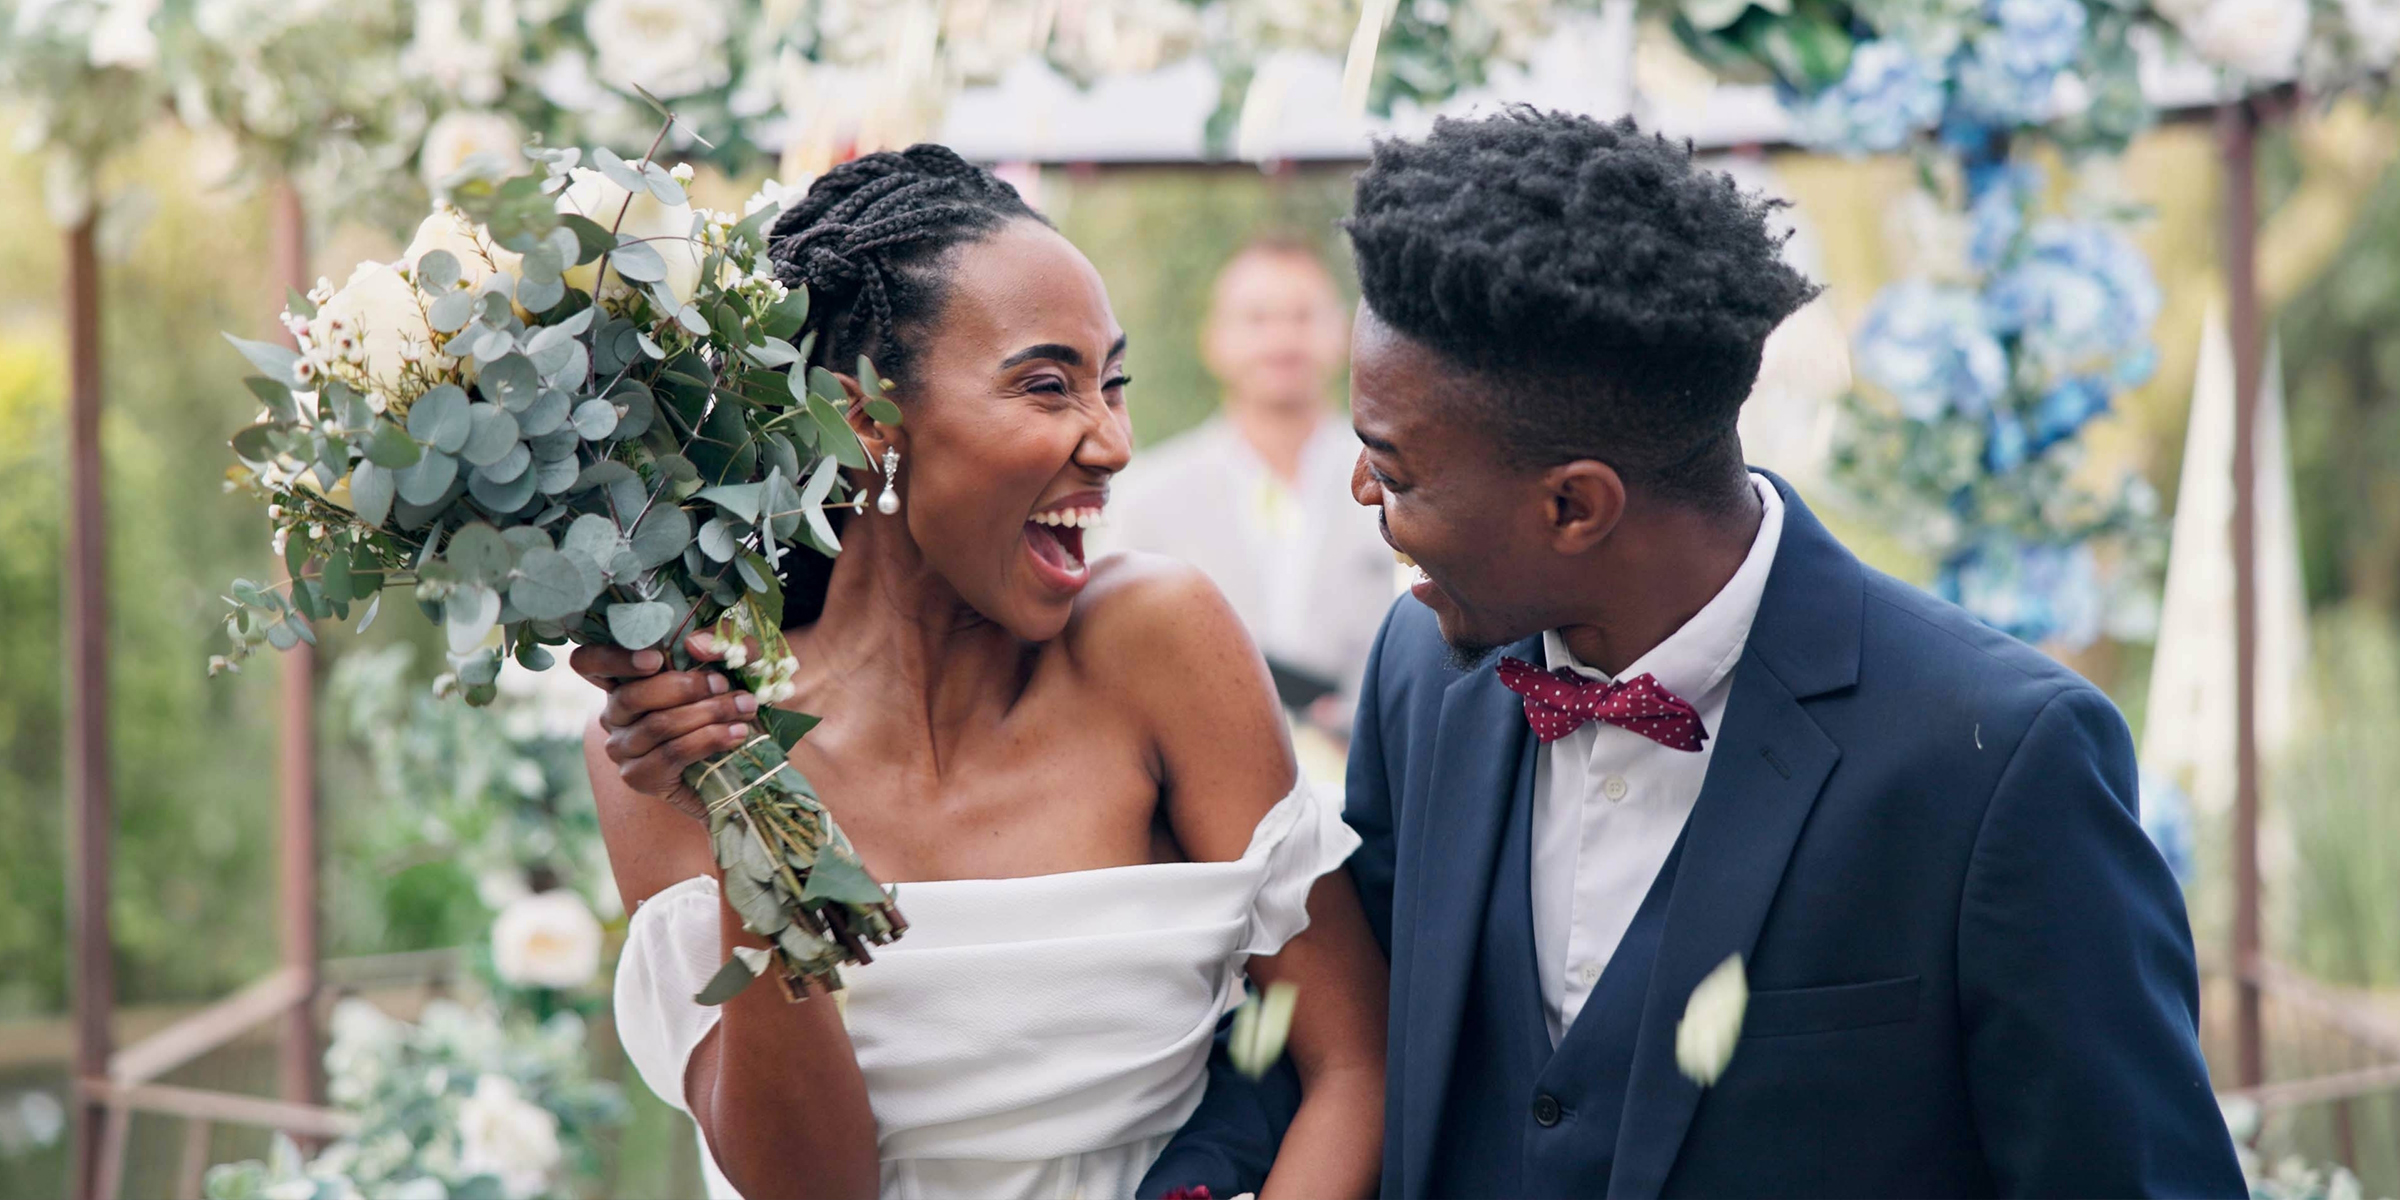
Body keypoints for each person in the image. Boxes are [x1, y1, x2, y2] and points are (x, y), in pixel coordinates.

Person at [1173, 107, 2246, 1197]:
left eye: (1394, 470)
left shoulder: (2000, 760)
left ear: (1574, 505)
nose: (1363, 492)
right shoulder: (1423, 670)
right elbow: (1340, 1033)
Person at [572, 145, 1386, 1200]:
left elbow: (1352, 1063)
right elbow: (810, 1189)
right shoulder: (675, 738)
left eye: (1114, 386)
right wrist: (745, 809)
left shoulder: (1160, 642)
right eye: (1049, 386)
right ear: (865, 418)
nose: (1113, 443)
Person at [1094, 238, 1395, 733]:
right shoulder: (1149, 496)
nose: (1282, 339)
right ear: (1213, 339)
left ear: (1343, 333)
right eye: (1257, 319)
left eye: (1302, 317)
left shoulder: (1395, 481)